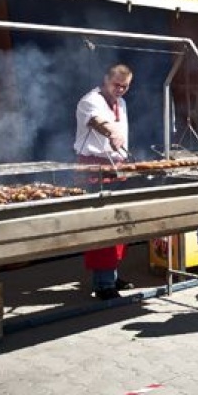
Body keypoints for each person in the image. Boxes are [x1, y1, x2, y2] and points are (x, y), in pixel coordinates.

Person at [74, 63, 135, 301]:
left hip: (116, 166)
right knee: (102, 225)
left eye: (125, 86)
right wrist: (112, 132)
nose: (120, 90)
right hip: (94, 167)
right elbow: (97, 121)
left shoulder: (122, 103)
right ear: (105, 80)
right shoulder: (90, 100)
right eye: (116, 85)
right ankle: (103, 284)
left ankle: (112, 275)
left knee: (120, 224)